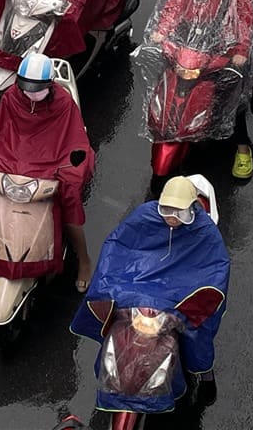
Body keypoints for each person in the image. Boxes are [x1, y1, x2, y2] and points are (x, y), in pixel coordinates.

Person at [70, 175, 230, 412]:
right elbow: (118, 247)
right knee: (117, 330)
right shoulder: (145, 216)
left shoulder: (205, 231)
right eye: (167, 210)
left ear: (191, 208)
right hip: (138, 287)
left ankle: (206, 376)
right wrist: (110, 287)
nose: (172, 218)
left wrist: (185, 310)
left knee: (198, 337)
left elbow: (215, 270)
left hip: (179, 293)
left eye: (179, 212)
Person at [0, 53, 96, 291]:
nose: (31, 92)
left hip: (51, 163)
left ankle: (84, 260)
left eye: (37, 88)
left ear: (49, 85)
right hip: (15, 161)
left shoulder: (63, 104)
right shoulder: (11, 97)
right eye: (26, 86)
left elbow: (74, 142)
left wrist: (69, 171)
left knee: (70, 204)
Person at [150, 0, 253, 178]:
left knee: (233, 102)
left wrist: (239, 52)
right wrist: (161, 32)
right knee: (164, 85)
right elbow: (174, 7)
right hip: (186, 48)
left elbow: (244, 22)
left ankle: (242, 148)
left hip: (220, 52)